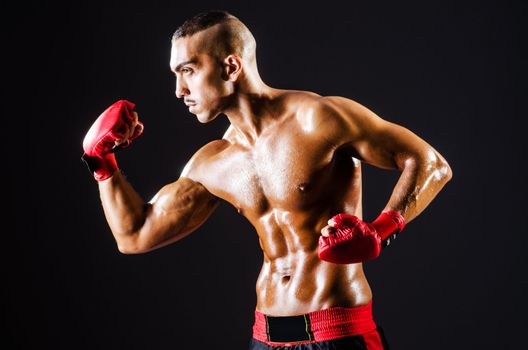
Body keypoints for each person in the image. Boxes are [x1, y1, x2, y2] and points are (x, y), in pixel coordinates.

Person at [81, 10, 452, 350]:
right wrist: (102, 164)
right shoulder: (212, 162)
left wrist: (380, 230)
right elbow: (135, 235)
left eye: (189, 70)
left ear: (230, 67)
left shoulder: (318, 119)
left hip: (338, 335)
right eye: (175, 74)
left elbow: (429, 162)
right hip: (265, 339)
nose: (179, 90)